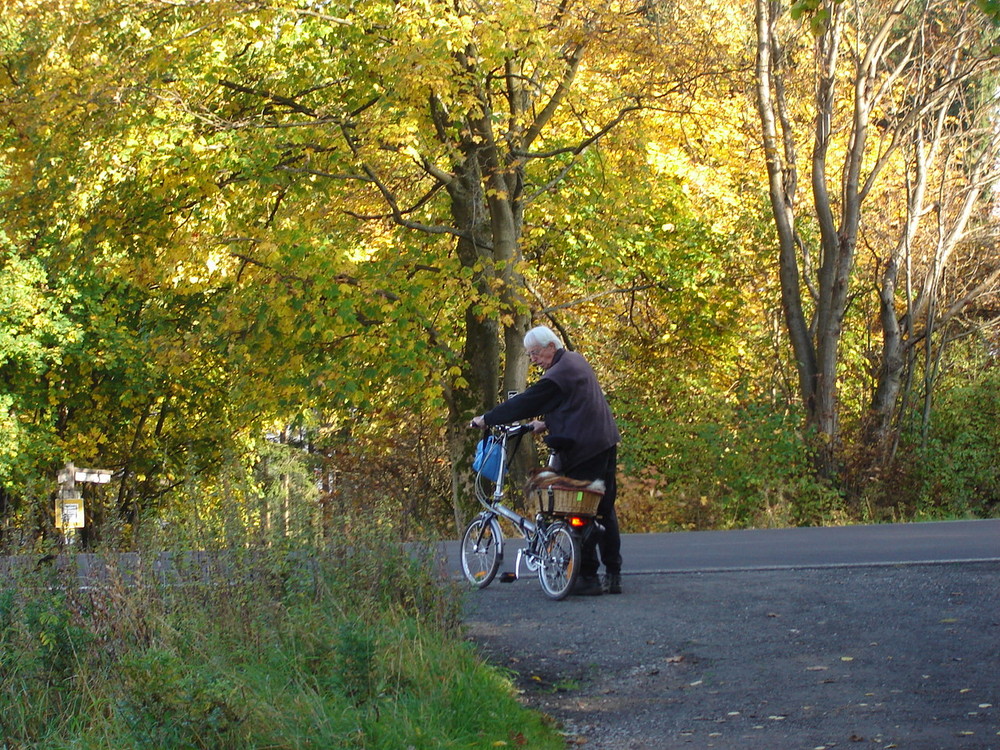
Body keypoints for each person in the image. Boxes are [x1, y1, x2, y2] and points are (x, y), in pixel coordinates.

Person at [471, 325, 622, 595]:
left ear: (551, 346)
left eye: (536, 353)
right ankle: (613, 574)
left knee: (580, 510)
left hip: (584, 448)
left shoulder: (558, 374)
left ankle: (587, 578)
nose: (534, 359)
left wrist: (488, 418)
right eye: (530, 355)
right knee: (603, 508)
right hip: (604, 442)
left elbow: (527, 402)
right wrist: (547, 422)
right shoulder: (575, 361)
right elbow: (576, 402)